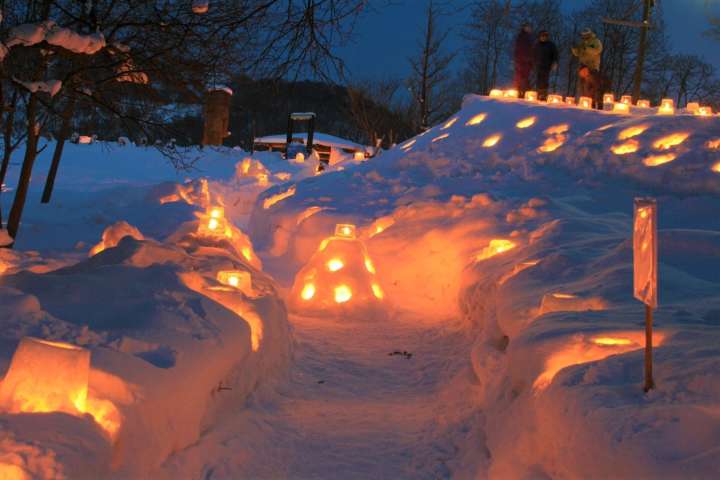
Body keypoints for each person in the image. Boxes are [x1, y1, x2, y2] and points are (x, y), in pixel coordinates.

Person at [572, 29, 603, 105]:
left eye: (585, 35)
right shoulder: (582, 43)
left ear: (589, 34)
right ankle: (588, 101)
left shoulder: (595, 41)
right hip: (583, 66)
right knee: (585, 86)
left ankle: (598, 102)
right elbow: (578, 53)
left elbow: (597, 50)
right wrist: (574, 49)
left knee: (594, 85)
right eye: (583, 35)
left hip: (592, 66)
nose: (584, 36)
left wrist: (587, 48)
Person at [533, 30, 558, 100]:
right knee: (538, 80)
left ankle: (543, 95)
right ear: (540, 37)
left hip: (547, 65)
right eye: (542, 36)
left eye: (545, 36)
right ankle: (539, 94)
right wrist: (533, 63)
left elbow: (555, 54)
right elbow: (533, 54)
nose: (543, 37)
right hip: (538, 66)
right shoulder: (537, 45)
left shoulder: (551, 45)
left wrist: (555, 62)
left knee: (545, 81)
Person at [513, 22, 534, 96]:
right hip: (522, 61)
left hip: (526, 62)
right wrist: (520, 59)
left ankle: (525, 93)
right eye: (528, 27)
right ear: (524, 28)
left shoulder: (529, 38)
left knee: (525, 78)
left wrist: (531, 62)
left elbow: (531, 50)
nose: (529, 29)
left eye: (530, 27)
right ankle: (519, 93)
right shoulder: (522, 37)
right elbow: (519, 49)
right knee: (520, 77)